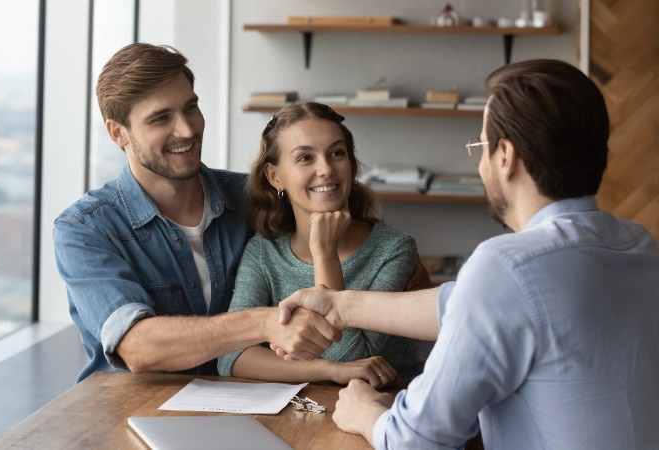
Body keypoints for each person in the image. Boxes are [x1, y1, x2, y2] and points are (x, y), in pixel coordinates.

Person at [276, 59, 659, 449]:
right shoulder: (639, 245)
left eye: (481, 147)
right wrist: (339, 306)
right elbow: (464, 303)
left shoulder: (507, 265)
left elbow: (416, 440)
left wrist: (367, 412)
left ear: (506, 155)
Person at [53, 43, 342, 382]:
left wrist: (397, 261)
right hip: (133, 415)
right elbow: (138, 347)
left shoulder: (254, 198)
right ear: (118, 133)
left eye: (191, 108)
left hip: (253, 404)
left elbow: (336, 226)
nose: (188, 130)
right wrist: (264, 322)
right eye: (161, 118)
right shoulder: (85, 228)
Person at [217, 102, 424, 387]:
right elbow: (231, 356)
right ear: (275, 176)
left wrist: (324, 253)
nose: (326, 169)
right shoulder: (264, 251)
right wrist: (327, 371)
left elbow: (349, 358)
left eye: (336, 153)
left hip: (388, 407)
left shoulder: (394, 249)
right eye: (305, 158)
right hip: (302, 408)